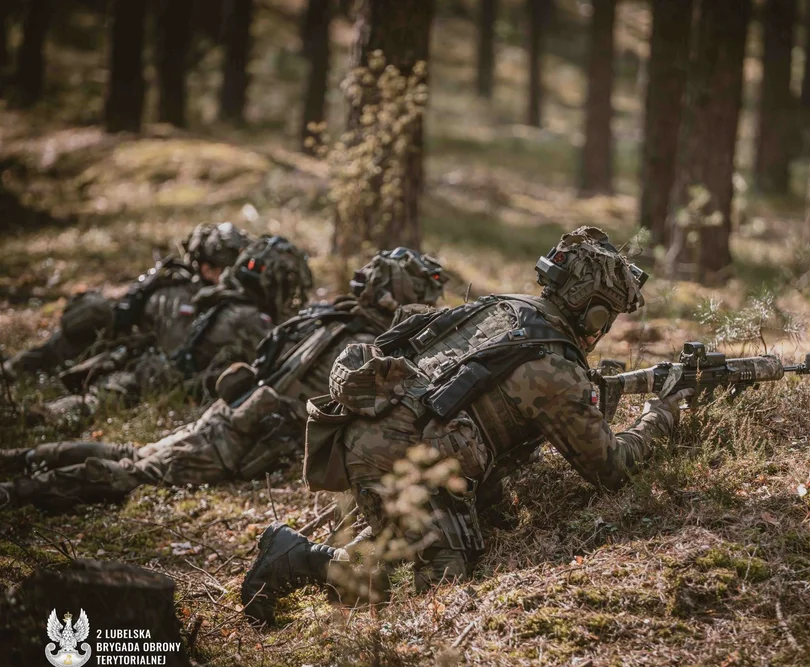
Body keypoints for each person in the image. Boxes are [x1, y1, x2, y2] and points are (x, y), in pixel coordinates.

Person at [240, 226, 692, 623]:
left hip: (391, 433)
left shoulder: (506, 308)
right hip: (401, 451)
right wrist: (661, 414)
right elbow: (611, 468)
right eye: (607, 317)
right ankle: (296, 558)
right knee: (436, 582)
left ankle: (333, 553)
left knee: (410, 540)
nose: (605, 329)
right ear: (593, 312)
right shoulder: (553, 367)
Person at [0, 248, 445, 513]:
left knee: (130, 453)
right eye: (424, 297)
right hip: (239, 436)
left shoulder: (333, 317)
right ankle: (15, 490)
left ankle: (19, 459)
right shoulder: (366, 344)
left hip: (230, 413)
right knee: (135, 471)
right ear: (402, 298)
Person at [33, 235, 312, 422]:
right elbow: (294, 360)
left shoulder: (222, 298)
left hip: (158, 371)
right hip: (161, 380)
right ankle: (33, 417)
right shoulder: (247, 318)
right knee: (76, 410)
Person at [1, 223, 253, 378]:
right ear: (207, 269)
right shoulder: (178, 294)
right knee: (32, 365)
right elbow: (175, 350)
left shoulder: (200, 290)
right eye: (226, 268)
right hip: (100, 346)